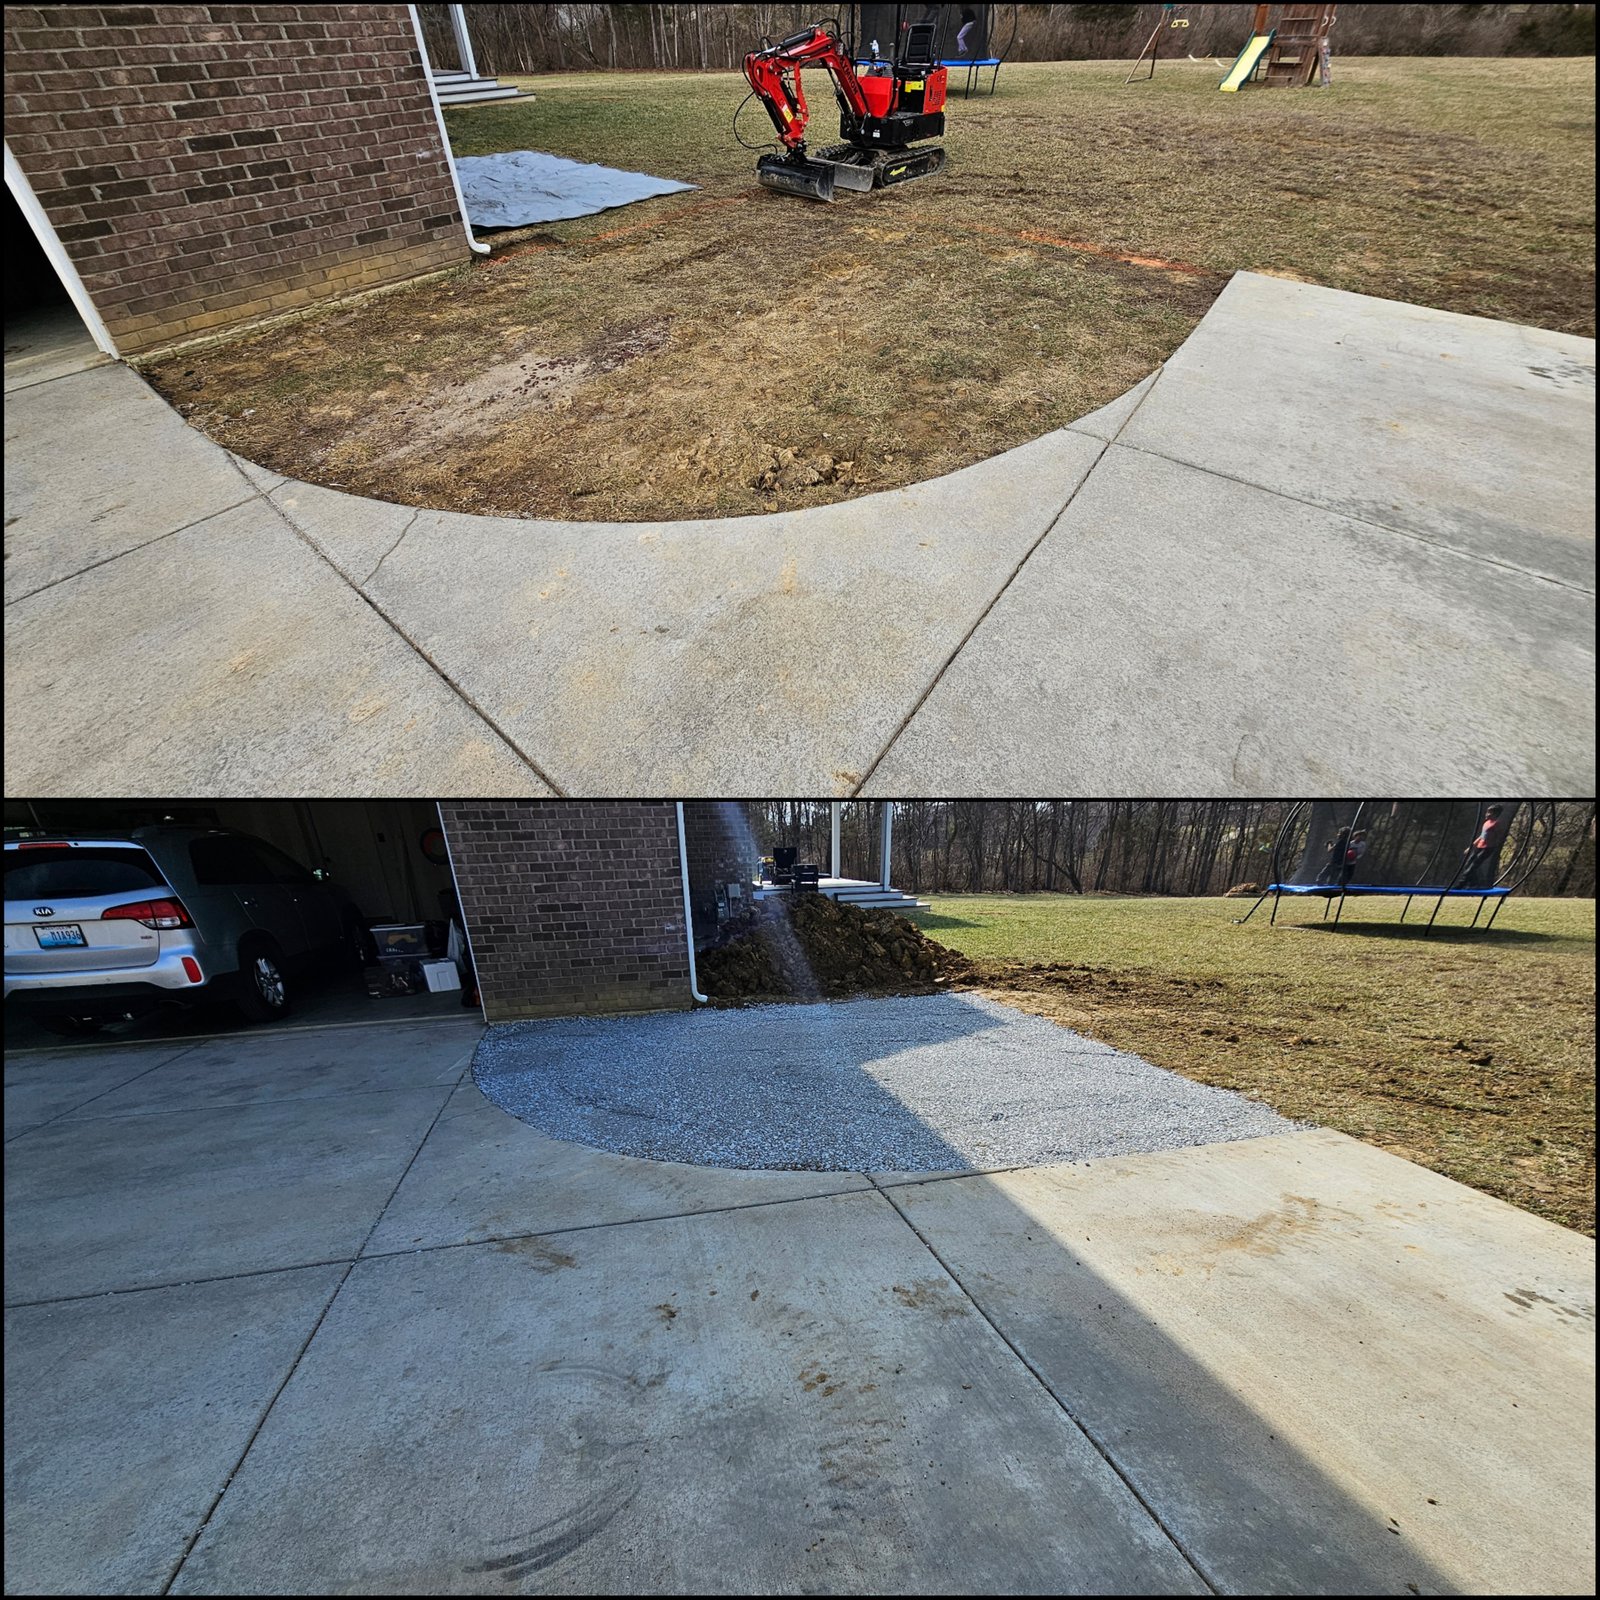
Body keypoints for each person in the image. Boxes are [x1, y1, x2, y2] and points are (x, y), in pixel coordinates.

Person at [1460, 805, 1505, 888]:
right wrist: (1471, 847)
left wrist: (1494, 845)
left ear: (1495, 814)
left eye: (1490, 813)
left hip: (1488, 848)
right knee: (1468, 864)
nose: (1487, 814)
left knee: (1473, 865)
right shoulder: (1486, 823)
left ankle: (1461, 884)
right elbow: (1481, 836)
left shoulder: (1496, 824)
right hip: (1479, 846)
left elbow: (1499, 836)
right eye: (1487, 812)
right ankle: (1474, 884)